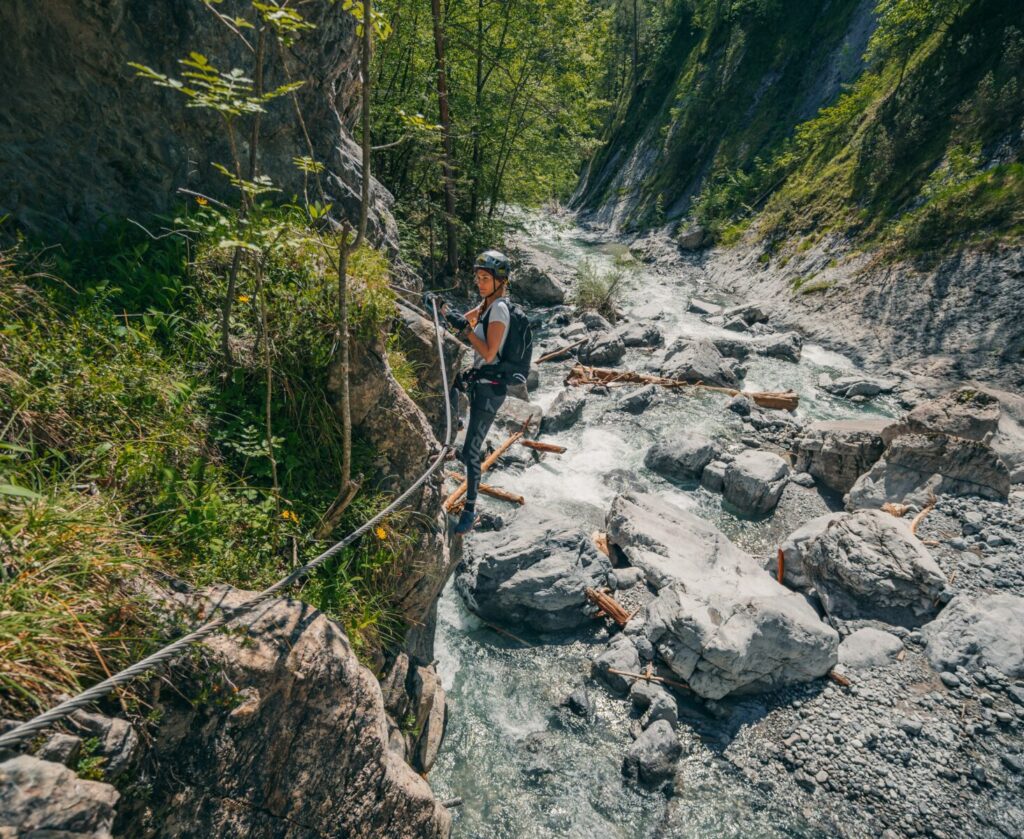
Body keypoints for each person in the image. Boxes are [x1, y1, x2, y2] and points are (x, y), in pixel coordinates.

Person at [430, 250, 512, 535]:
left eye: (486, 278)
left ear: (500, 281)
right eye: (478, 278)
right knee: (453, 392)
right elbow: (464, 321)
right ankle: (452, 440)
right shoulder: (487, 305)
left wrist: (465, 330)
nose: (480, 283)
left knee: (472, 451)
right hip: (480, 381)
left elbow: (489, 353)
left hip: (491, 389)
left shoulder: (500, 309)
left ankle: (470, 509)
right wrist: (443, 313)